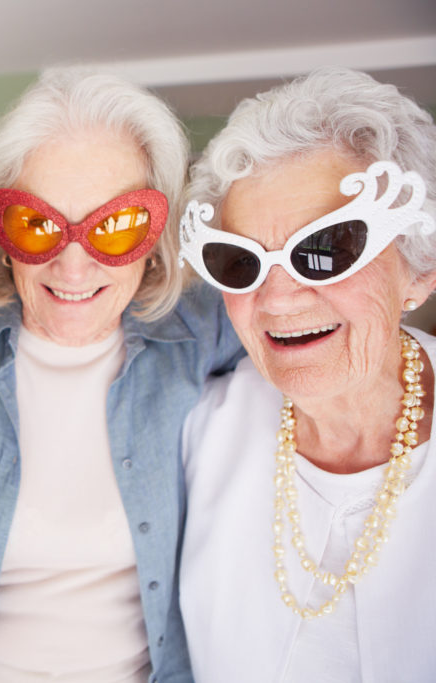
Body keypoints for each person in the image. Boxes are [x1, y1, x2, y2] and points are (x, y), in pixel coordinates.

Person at [0, 64, 243, 681]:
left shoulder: (203, 334)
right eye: (36, 225)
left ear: (156, 236)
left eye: (117, 226)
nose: (73, 268)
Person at [179, 66, 436, 680]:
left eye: (325, 249)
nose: (279, 300)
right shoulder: (198, 430)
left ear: (419, 270)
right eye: (239, 262)